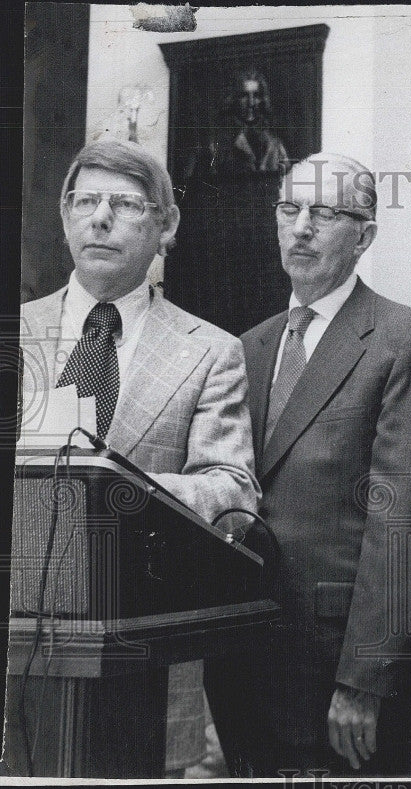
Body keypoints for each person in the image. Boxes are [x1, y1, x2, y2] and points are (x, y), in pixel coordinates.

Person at [16, 137, 260, 775]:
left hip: (143, 656)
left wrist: (114, 485)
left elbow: (231, 486)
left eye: (124, 204)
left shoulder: (210, 351)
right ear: (66, 215)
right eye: (87, 201)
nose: (100, 218)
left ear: (166, 226)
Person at [235, 153, 411, 777]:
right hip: (248, 666)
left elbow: (408, 522)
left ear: (365, 236)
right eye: (289, 209)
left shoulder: (403, 338)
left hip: (346, 683)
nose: (301, 228)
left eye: (325, 213)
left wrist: (364, 678)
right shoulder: (248, 346)